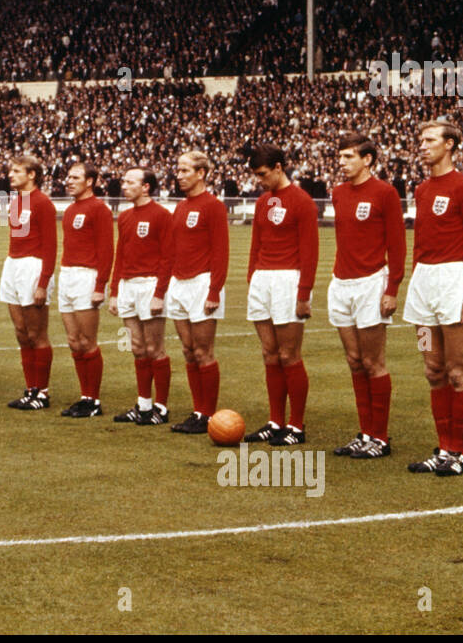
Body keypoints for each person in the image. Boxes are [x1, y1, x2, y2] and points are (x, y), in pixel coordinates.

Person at [404, 121, 463, 477]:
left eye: (429, 140)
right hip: (423, 286)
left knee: (457, 370)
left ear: (449, 144)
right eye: (420, 140)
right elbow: (421, 242)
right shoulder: (422, 189)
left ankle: (458, 453)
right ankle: (442, 449)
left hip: (453, 283)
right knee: (432, 369)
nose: (422, 145)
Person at [329, 133, 406, 459]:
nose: (342, 163)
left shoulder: (385, 193)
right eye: (341, 157)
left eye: (349, 157)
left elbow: (397, 245)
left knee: (374, 362)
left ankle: (381, 437)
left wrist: (392, 289)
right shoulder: (338, 193)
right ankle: (364, 433)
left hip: (371, 283)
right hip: (340, 283)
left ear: (368, 159)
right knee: (354, 362)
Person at [243, 144, 319, 446]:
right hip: (263, 279)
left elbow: (310, 251)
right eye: (256, 175)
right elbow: (256, 243)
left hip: (288, 280)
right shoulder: (263, 202)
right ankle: (275, 422)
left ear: (278, 167)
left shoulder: (301, 201)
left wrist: (304, 294)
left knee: (289, 355)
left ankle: (296, 426)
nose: (260, 180)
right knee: (269, 354)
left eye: (263, 174)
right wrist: (252, 278)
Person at [166, 151, 230, 435]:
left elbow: (221, 251)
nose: (178, 175)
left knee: (204, 351)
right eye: (177, 170)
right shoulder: (179, 208)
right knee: (188, 350)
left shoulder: (213, 206)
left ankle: (208, 414)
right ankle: (197, 410)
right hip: (178, 283)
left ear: (201, 173)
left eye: (184, 170)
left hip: (203, 283)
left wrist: (214, 290)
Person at [108, 166, 174, 425]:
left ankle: (162, 407)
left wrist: (159, 293)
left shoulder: (161, 215)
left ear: (146, 186)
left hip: (150, 284)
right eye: (124, 181)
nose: (124, 185)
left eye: (130, 181)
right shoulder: (124, 217)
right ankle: (144, 405)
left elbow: (169, 256)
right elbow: (121, 254)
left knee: (154, 348)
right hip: (128, 285)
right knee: (137, 348)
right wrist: (114, 292)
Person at [0, 154, 58, 410]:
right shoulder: (15, 202)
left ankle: (42, 393)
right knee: (22, 333)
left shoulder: (43, 203)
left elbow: (51, 246)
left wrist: (43, 282)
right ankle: (30, 389)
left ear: (31, 174)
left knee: (36, 333)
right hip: (13, 264)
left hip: (32, 267)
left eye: (16, 171)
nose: (10, 175)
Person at [58, 162, 114, 419]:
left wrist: (100, 285)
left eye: (75, 177)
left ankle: (93, 399)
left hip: (86, 276)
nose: (69, 181)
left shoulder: (99, 209)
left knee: (87, 341)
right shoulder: (69, 210)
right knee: (74, 341)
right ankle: (84, 396)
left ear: (90, 181)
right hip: (67, 274)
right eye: (68, 177)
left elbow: (106, 249)